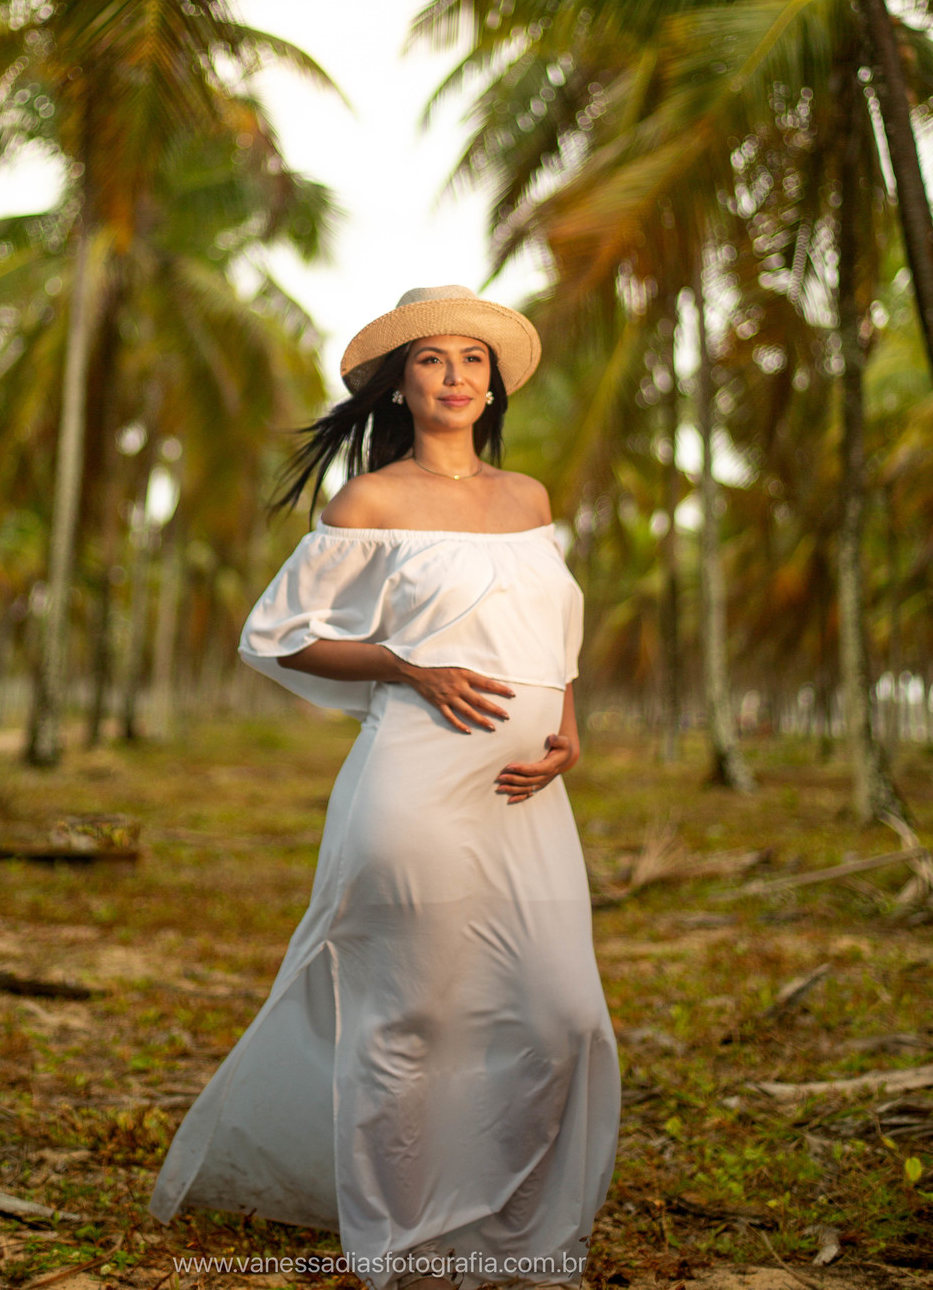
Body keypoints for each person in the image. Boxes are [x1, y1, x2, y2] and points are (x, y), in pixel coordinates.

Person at [148, 285, 619, 1289]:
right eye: (431, 360)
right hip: (414, 788)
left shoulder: (529, 498)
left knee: (560, 1014)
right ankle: (396, 1251)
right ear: (400, 385)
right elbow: (278, 635)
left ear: (492, 386)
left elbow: (551, 635)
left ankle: (508, 1240)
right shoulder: (371, 503)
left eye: (472, 361)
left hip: (529, 796)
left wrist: (568, 726)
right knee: (410, 1021)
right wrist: (408, 667)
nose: (454, 377)